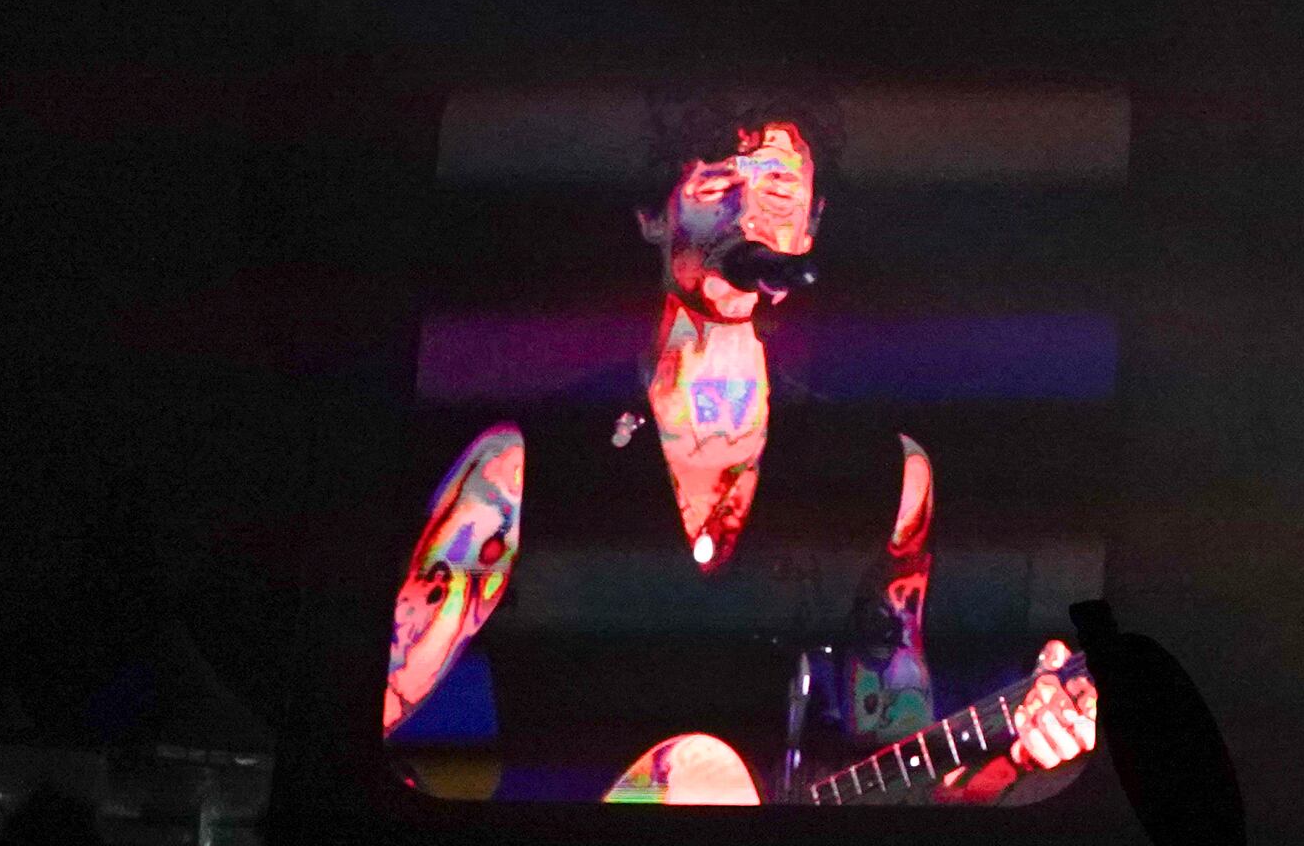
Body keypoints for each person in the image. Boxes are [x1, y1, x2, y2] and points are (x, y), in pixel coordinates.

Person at [383, 96, 1100, 807]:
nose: (750, 212)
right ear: (655, 216)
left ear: (810, 225)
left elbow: (898, 772)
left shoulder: (885, 474)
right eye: (718, 181)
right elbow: (379, 698)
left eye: (780, 185)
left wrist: (1015, 757)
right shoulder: (523, 462)